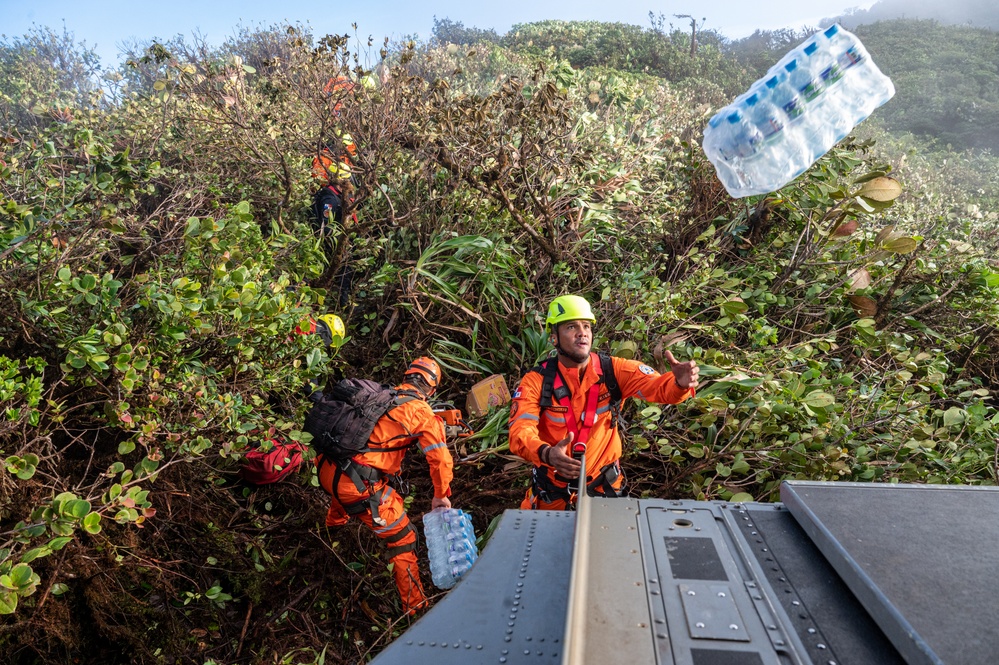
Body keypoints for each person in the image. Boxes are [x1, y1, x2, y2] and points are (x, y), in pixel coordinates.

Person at [508, 295, 699, 510]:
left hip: (604, 488)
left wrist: (679, 384)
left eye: (587, 326)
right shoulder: (537, 381)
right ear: (554, 338)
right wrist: (546, 453)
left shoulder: (613, 371)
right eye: (572, 327)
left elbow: (657, 388)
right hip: (552, 492)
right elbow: (520, 431)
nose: (582, 333)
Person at [316, 357, 454, 615]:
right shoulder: (421, 413)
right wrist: (440, 495)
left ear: (407, 377)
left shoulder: (380, 395)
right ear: (432, 390)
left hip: (326, 469)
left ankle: (331, 532)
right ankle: (415, 609)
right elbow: (440, 458)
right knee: (404, 537)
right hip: (355, 486)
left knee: (350, 483)